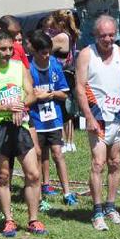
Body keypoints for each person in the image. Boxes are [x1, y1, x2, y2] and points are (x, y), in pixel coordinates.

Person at [0, 30, 46, 237]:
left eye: (11, 49)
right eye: (3, 49)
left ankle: (33, 219)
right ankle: (8, 219)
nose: (8, 53)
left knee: (33, 174)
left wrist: (19, 106)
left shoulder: (19, 67)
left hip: (20, 125)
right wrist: (7, 108)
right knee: (3, 175)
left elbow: (31, 94)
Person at [75, 15, 120, 231]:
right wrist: (88, 117)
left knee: (116, 162)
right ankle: (97, 210)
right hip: (97, 115)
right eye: (103, 36)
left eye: (111, 35)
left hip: (118, 115)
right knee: (98, 163)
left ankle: (111, 207)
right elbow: (80, 88)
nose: (108, 39)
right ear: (95, 36)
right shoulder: (86, 55)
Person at [26, 31, 77, 207]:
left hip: (54, 118)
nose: (47, 56)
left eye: (49, 51)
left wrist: (51, 94)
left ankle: (67, 192)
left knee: (58, 154)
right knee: (38, 156)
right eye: (43, 52)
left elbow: (64, 94)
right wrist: (36, 96)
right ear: (35, 52)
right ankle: (39, 197)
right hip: (35, 119)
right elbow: (28, 94)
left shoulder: (55, 65)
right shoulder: (28, 69)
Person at [41, 10, 80, 152]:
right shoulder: (70, 35)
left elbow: (42, 46)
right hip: (69, 74)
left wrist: (45, 33)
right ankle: (70, 142)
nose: (51, 29)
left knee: (62, 109)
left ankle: (64, 141)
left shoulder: (61, 37)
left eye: (53, 26)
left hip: (62, 75)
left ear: (60, 24)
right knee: (68, 109)